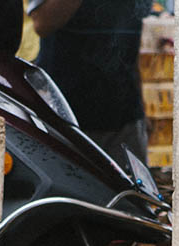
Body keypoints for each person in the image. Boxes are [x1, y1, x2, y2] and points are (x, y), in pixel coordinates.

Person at [27, 0, 151, 164]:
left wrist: (141, 108)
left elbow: (129, 40)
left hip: (125, 118)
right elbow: (43, 22)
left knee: (130, 188)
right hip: (66, 118)